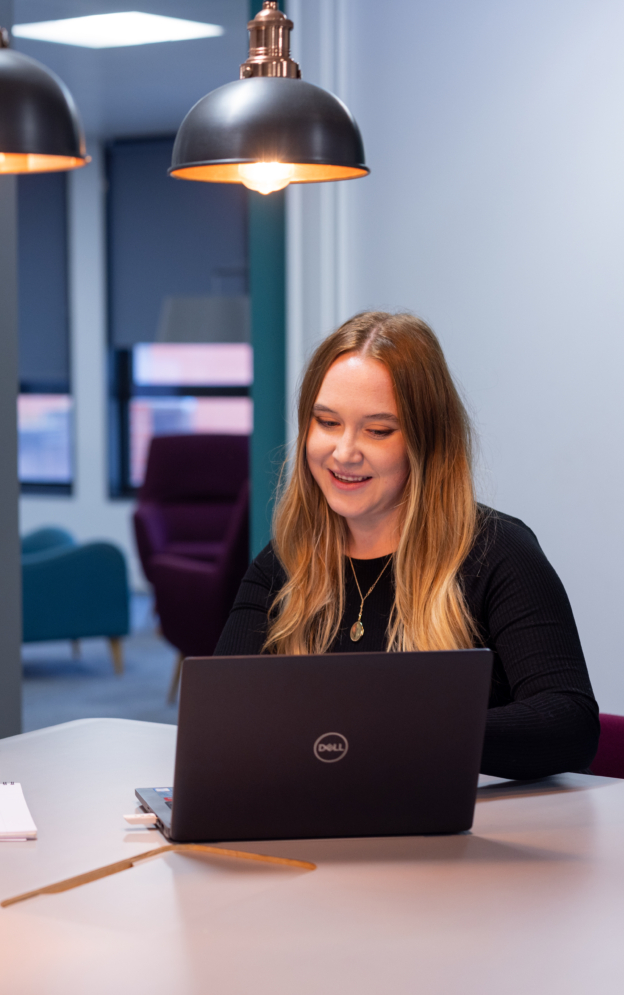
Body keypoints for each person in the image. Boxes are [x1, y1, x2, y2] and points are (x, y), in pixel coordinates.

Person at [214, 311, 599, 780]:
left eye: (378, 431)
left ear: (427, 440)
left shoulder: (498, 553)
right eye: (328, 422)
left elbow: (569, 724)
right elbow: (221, 720)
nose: (344, 452)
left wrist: (397, 735)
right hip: (318, 824)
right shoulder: (284, 561)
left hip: (454, 840)